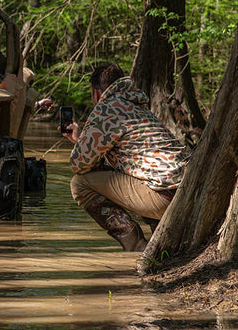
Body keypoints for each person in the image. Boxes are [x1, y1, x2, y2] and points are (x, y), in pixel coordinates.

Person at [61, 64, 188, 251]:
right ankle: (160, 242)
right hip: (185, 193)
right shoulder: (137, 106)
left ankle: (137, 248)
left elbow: (78, 164)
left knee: (79, 184)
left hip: (164, 199)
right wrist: (82, 139)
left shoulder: (107, 108)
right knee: (134, 173)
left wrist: (81, 143)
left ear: (96, 93)